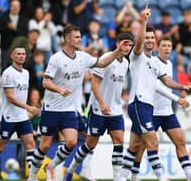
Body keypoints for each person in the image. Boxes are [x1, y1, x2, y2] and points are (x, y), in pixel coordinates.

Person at [27, 25, 128, 181]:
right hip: (52, 108)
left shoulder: (83, 57)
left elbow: (101, 63)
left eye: (80, 37)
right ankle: (32, 176)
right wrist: (59, 89)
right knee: (45, 145)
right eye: (76, 37)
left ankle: (52, 166)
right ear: (67, 39)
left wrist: (117, 51)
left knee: (72, 142)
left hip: (69, 108)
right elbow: (46, 82)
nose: (80, 39)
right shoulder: (56, 58)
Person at [119, 7, 191, 181]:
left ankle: (121, 178)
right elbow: (138, 42)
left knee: (134, 146)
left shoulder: (156, 63)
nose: (149, 40)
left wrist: (182, 86)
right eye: (147, 37)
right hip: (138, 103)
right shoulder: (137, 56)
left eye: (152, 38)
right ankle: (161, 177)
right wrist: (144, 21)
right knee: (153, 141)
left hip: (147, 107)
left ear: (155, 40)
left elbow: (166, 82)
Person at [126, 37, 191, 181]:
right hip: (151, 111)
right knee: (140, 146)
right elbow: (156, 86)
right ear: (158, 47)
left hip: (167, 111)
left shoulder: (170, 64)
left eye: (169, 46)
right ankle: (134, 176)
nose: (167, 48)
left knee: (180, 141)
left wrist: (180, 88)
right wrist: (177, 98)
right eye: (164, 45)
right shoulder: (152, 62)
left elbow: (168, 83)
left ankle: (190, 176)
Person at [63, 32, 135, 181]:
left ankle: (117, 178)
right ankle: (70, 170)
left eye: (130, 44)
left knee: (119, 140)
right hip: (98, 108)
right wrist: (102, 104)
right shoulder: (105, 59)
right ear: (118, 44)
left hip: (115, 109)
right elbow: (94, 83)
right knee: (90, 144)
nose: (128, 47)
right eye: (125, 43)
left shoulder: (126, 63)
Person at [0, 47, 40, 181]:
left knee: (31, 144)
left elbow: (22, 95)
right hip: (8, 117)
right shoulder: (8, 73)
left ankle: (32, 177)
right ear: (12, 56)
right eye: (18, 54)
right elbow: (10, 97)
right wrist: (29, 107)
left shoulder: (26, 73)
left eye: (23, 54)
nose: (21, 56)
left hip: (22, 116)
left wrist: (26, 110)